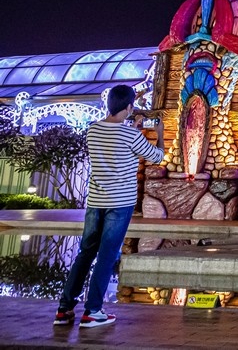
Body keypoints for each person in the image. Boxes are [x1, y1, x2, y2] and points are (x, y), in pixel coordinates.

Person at [54, 84, 165, 328]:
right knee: (106, 256)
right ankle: (93, 310)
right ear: (128, 106)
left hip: (96, 201)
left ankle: (64, 309)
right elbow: (157, 156)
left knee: (86, 253)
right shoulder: (130, 136)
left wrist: (132, 129)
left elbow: (115, 145)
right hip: (119, 203)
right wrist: (159, 133)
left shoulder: (93, 130)